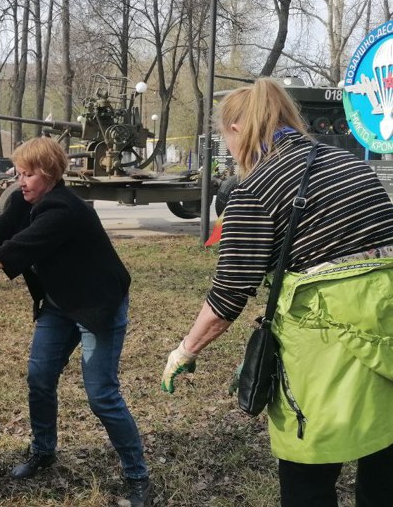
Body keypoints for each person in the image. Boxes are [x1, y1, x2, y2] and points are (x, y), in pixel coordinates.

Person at [160, 78, 393, 507]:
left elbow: (227, 296)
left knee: (308, 471)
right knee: (385, 454)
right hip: (387, 331)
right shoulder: (350, 164)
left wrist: (185, 351)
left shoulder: (256, 189)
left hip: (327, 351)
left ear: (235, 129)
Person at [0, 136, 151, 507]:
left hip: (96, 307)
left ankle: (138, 476)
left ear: (50, 173)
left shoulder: (63, 211)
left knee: (101, 395)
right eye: (18, 173)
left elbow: (7, 255)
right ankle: (43, 452)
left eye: (28, 174)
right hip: (58, 304)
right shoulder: (28, 202)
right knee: (40, 379)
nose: (20, 181)